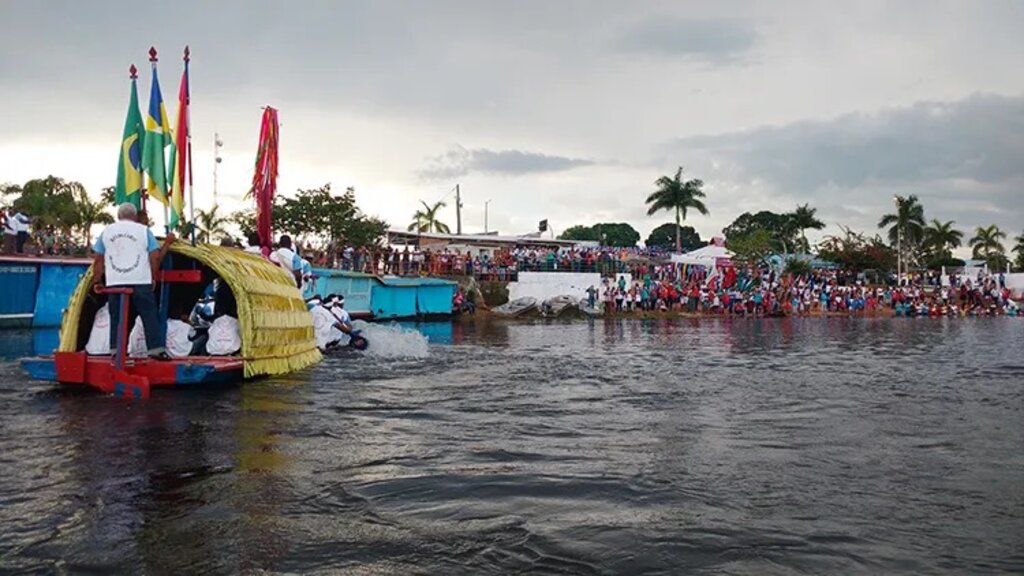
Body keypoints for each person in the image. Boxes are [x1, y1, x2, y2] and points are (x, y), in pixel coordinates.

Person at [91, 203, 174, 360]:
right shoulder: (144, 231)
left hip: (114, 281)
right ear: (135, 217)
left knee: (116, 316)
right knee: (148, 314)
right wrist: (153, 276)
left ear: (118, 216)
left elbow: (98, 259)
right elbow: (154, 256)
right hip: (140, 280)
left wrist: (97, 281)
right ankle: (155, 350)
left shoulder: (106, 232)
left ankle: (115, 350)